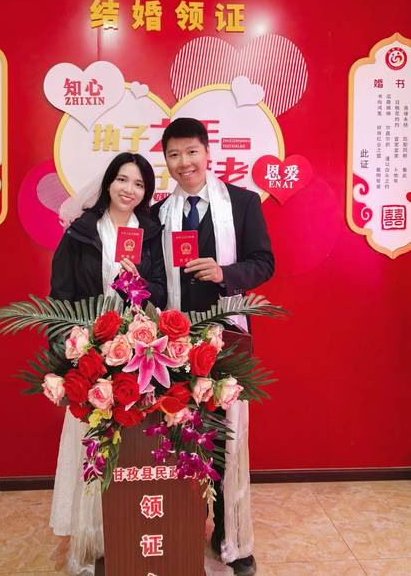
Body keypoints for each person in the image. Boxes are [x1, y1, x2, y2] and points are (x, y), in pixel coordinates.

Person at [151, 118, 274, 576]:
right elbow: (154, 276)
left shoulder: (242, 203)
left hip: (227, 338)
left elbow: (264, 262)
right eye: (174, 155)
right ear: (166, 160)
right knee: (179, 434)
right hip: (173, 339)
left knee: (226, 439)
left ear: (207, 152)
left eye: (191, 152)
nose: (184, 163)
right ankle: (182, 526)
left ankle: (229, 535)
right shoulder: (158, 214)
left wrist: (226, 273)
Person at [49, 152, 167, 574]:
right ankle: (91, 535)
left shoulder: (151, 234)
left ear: (146, 193)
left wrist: (138, 284)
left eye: (138, 184)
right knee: (91, 445)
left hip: (136, 355)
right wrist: (69, 348)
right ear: (108, 183)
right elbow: (60, 295)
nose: (128, 190)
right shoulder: (81, 232)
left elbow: (162, 294)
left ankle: (125, 530)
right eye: (122, 179)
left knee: (130, 447)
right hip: (91, 354)